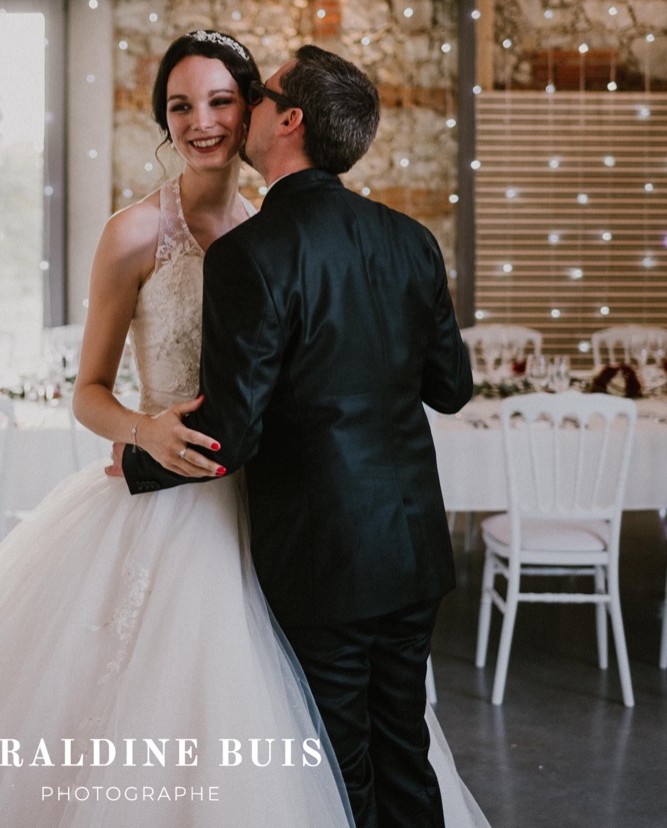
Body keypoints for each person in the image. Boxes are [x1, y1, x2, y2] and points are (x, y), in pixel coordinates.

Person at [0, 32, 486, 828]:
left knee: (318, 743)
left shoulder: (266, 236)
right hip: (257, 515)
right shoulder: (148, 234)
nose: (205, 121)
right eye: (180, 105)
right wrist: (141, 435)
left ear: (270, 115)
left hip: (276, 512)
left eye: (226, 100)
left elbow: (277, 404)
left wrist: (170, 455)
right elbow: (87, 390)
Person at [115, 42, 475, 828]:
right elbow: (452, 389)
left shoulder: (252, 253)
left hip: (322, 551)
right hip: (412, 545)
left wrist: (137, 456)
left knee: (335, 757)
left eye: (260, 92)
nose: (244, 102)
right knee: (402, 747)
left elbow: (232, 434)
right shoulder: (410, 239)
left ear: (290, 120)